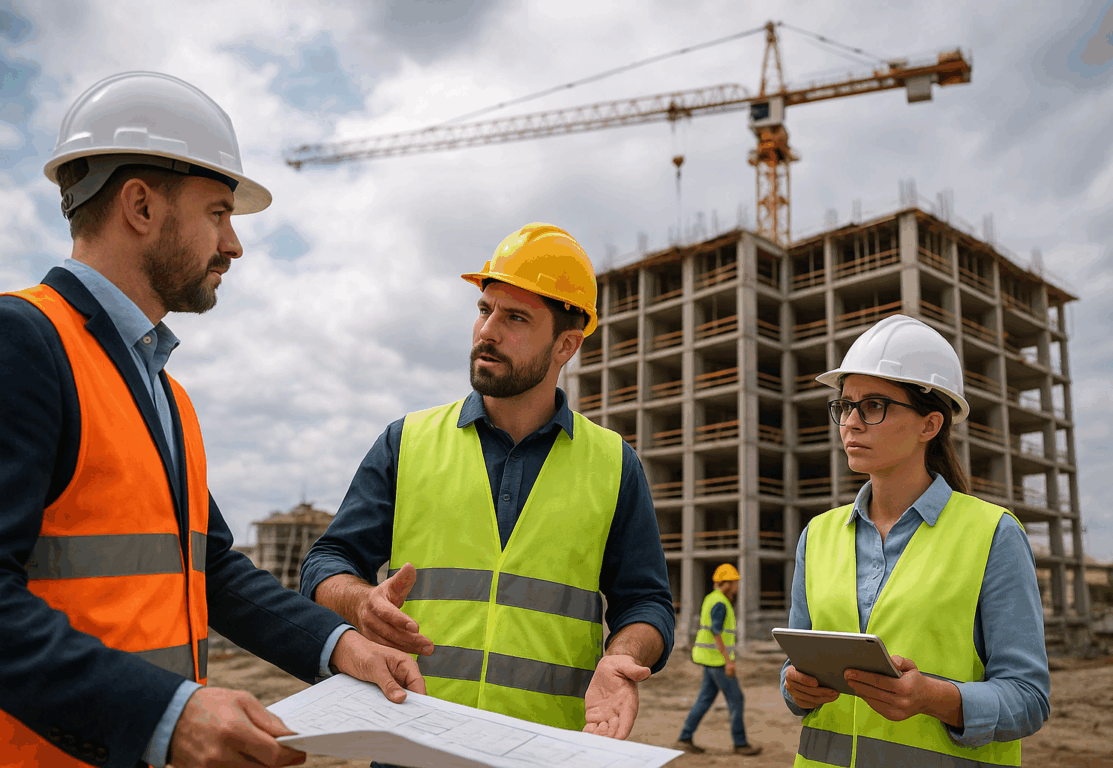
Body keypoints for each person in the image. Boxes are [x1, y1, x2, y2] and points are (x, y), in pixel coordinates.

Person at [0, 71, 424, 768]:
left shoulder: (165, 393)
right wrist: (168, 713)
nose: (233, 245)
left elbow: (212, 569)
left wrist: (337, 645)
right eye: (218, 213)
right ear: (139, 205)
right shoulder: (23, 341)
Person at [300, 223, 676, 752]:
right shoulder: (406, 442)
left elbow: (647, 603)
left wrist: (624, 654)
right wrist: (360, 601)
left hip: (545, 750)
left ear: (566, 345)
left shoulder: (614, 464)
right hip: (413, 745)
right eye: (484, 309)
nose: (487, 331)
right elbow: (326, 561)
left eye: (515, 317)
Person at [780, 314, 1050, 767]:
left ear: (930, 425)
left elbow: (1028, 698)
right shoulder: (818, 536)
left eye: (873, 406)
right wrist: (795, 686)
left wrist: (935, 698)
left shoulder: (992, 534)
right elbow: (795, 673)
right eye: (845, 405)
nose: (850, 423)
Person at [675, 564, 763, 756]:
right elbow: (716, 632)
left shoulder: (712, 599)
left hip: (710, 660)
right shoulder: (720, 603)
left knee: (704, 699)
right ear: (726, 583)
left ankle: (685, 737)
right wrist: (728, 661)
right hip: (717, 662)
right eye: (735, 583)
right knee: (736, 699)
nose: (737, 587)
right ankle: (740, 743)